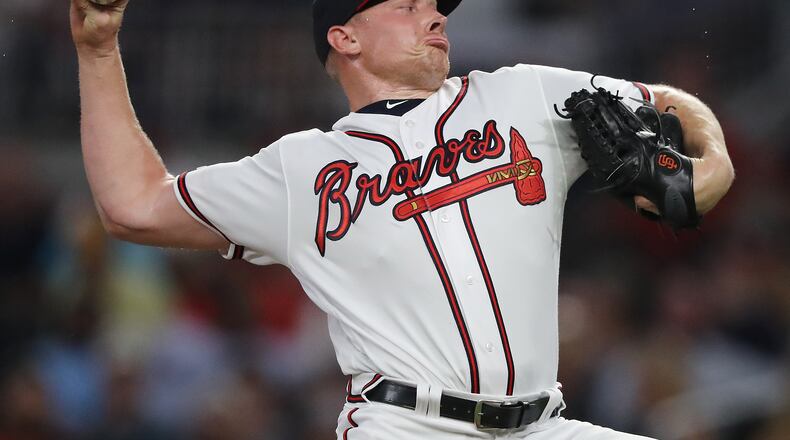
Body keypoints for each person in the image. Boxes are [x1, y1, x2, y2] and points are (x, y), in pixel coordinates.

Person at [69, 0, 735, 438]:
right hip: (405, 425)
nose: (434, 13)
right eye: (408, 4)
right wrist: (98, 54)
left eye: (437, 5)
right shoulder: (301, 172)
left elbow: (665, 101)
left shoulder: (522, 93)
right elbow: (134, 204)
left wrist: (714, 160)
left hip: (545, 424)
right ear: (345, 35)